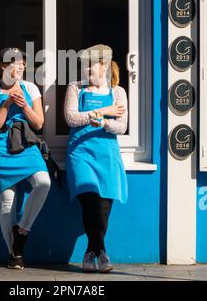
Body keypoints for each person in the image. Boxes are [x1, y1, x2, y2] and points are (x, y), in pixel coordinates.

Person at [0, 47, 51, 270]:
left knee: (43, 182)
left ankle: (22, 231)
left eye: (22, 62)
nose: (20, 66)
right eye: (14, 62)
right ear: (3, 66)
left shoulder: (31, 88)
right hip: (1, 149)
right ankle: (15, 254)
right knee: (7, 202)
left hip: (26, 145)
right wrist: (7, 103)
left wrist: (23, 105)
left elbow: (39, 123)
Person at [64, 44, 128, 273]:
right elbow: (71, 118)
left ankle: (93, 252)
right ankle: (101, 251)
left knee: (102, 206)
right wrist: (104, 110)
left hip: (107, 155)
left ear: (104, 66)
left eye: (90, 64)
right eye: (84, 64)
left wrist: (104, 121)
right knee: (90, 198)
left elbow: (121, 127)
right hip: (80, 154)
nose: (86, 69)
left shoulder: (118, 92)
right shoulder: (75, 88)